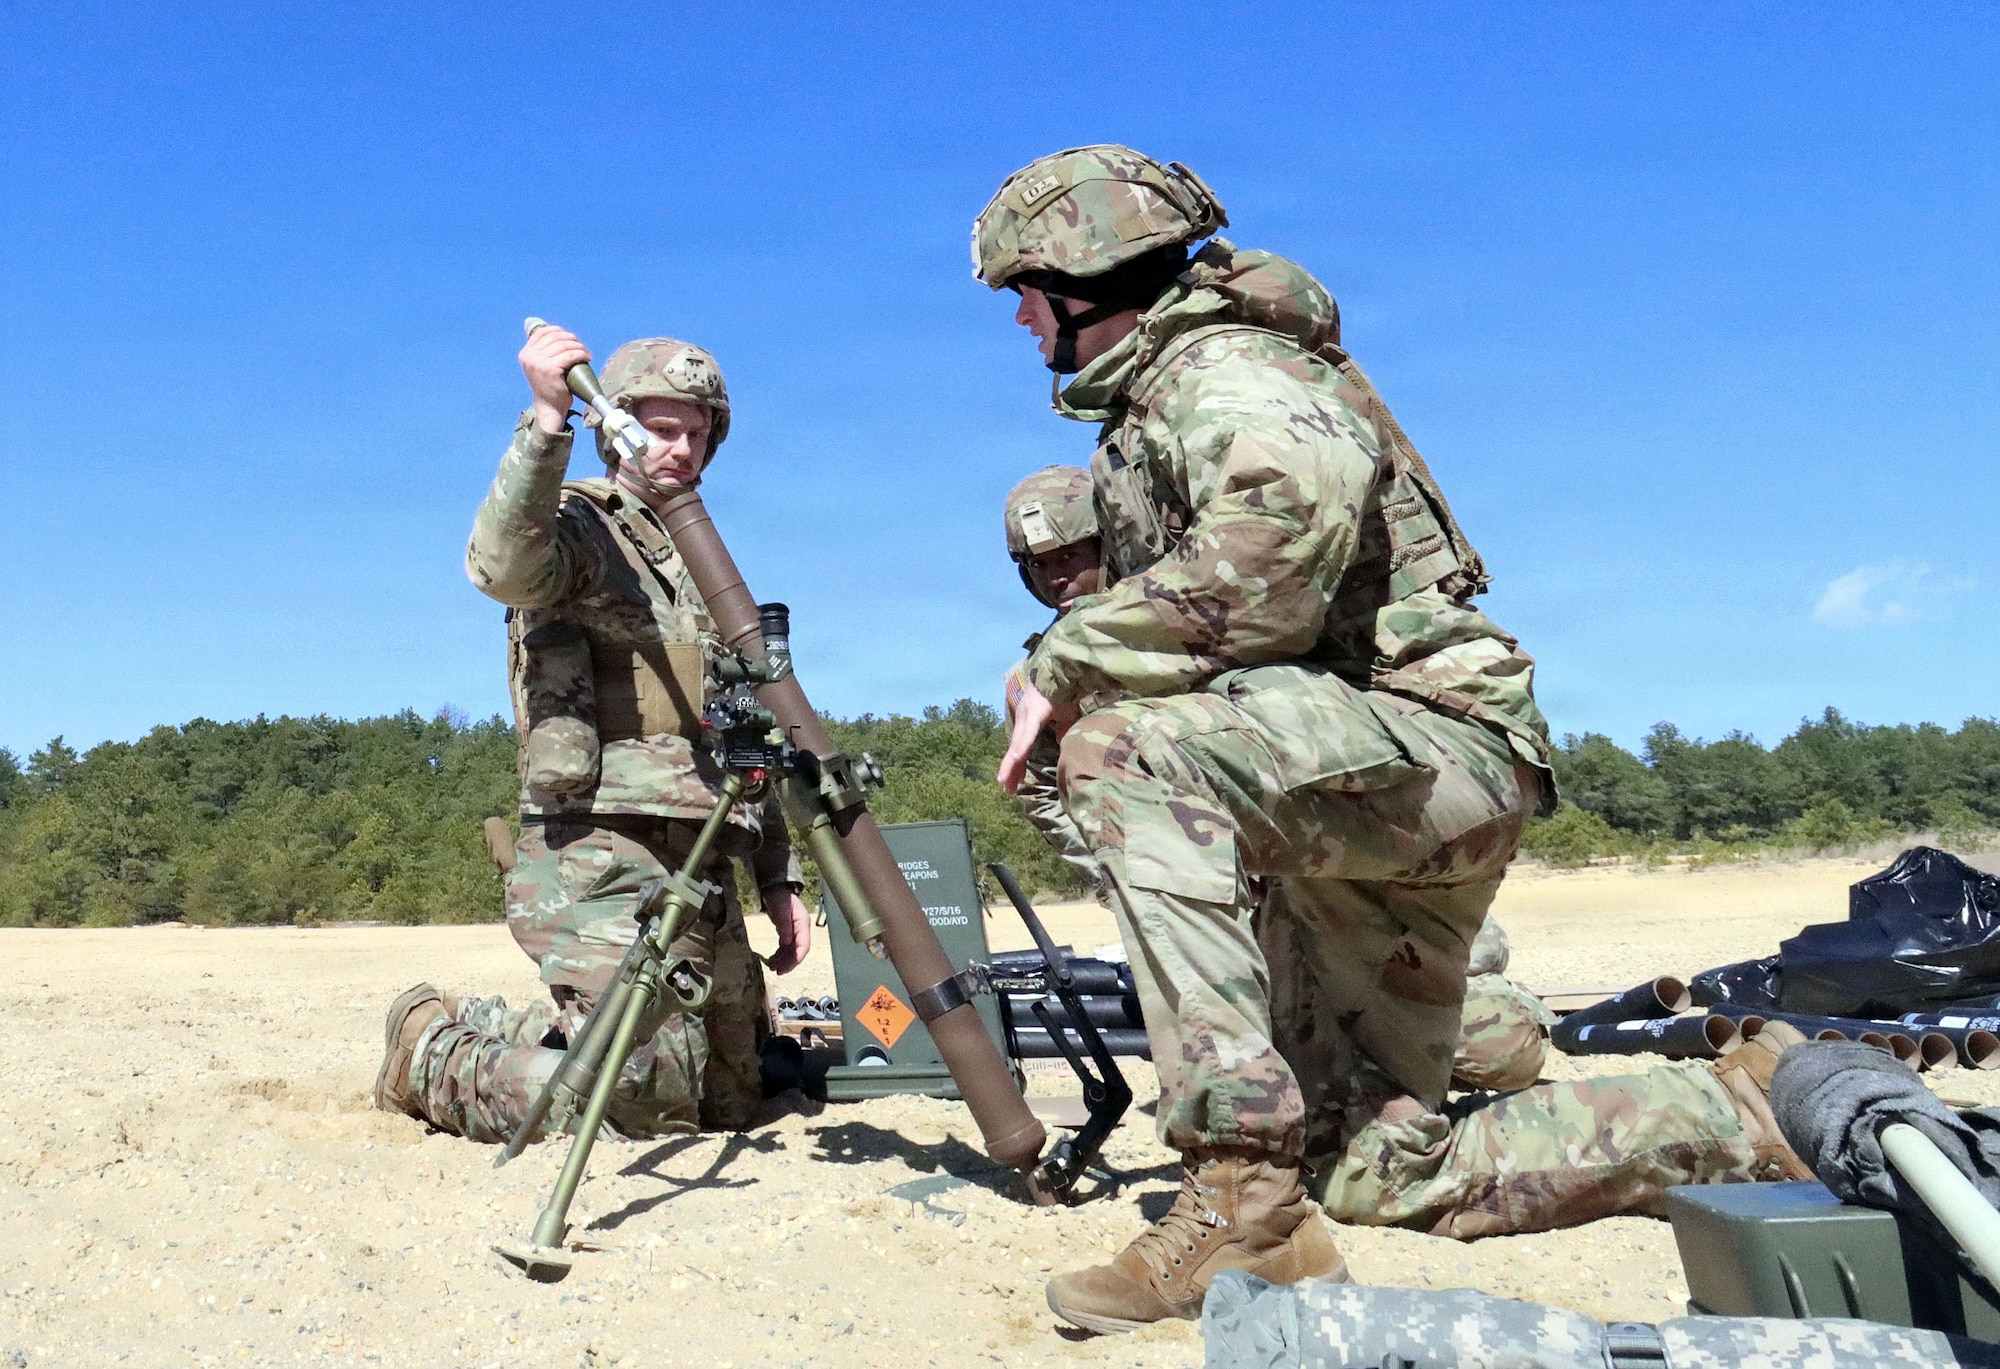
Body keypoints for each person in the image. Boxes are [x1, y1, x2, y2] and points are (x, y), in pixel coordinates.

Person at [973, 146, 1811, 1333]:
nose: (1015, 317)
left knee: (1128, 751)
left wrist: (1061, 664)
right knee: (1372, 1168)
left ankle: (1240, 1203)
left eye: (1024, 289)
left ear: (1084, 273)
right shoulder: (1175, 393)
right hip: (1353, 781)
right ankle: (1743, 1113)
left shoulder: (1225, 371)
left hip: (1427, 748)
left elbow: (1267, 576)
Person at [370, 326, 812, 1144]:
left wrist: (779, 878)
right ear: (618, 425)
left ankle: (530, 1024)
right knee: (633, 1102)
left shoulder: (701, 566)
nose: (679, 448)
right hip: (595, 853)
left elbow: (751, 732)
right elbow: (500, 562)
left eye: (696, 431)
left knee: (730, 1099)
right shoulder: (580, 527)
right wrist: (545, 420)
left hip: (701, 861)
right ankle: (427, 1049)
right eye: (660, 427)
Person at [999, 468, 1554, 1098]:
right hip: (1217, 900)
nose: (1056, 577)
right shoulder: (1040, 678)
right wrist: (1129, 878)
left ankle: (1465, 984)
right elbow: (1044, 793)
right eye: (1035, 566)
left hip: (1324, 866)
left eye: (1071, 555)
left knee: (1503, 1050)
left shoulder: (1217, 621)